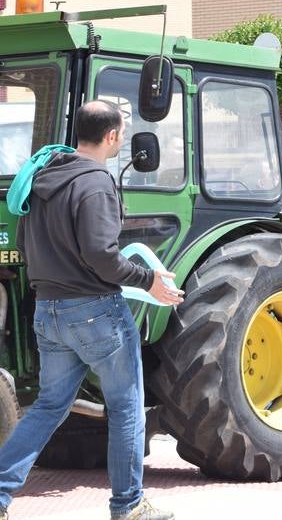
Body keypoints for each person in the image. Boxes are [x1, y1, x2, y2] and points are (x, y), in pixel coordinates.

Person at [0, 101, 182, 520]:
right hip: (95, 312)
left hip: (48, 312)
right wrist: (147, 280)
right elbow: (103, 256)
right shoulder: (96, 182)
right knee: (126, 407)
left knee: (48, 407)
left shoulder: (43, 179)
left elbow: (28, 247)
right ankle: (129, 505)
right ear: (113, 137)